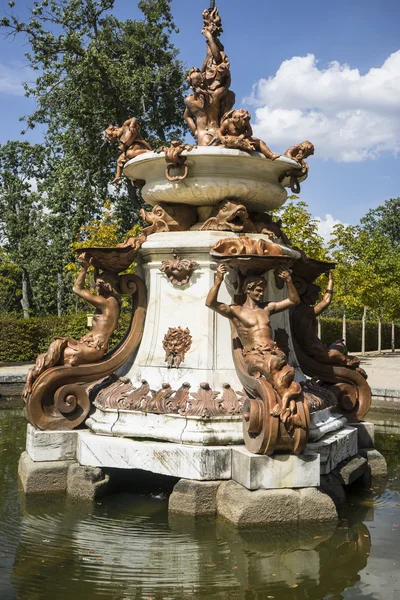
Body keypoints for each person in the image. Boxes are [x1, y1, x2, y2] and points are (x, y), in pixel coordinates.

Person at [206, 264, 302, 418]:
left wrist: (289, 281)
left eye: (263, 290)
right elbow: (210, 303)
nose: (261, 293)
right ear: (247, 290)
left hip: (273, 351)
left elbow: (294, 300)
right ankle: (287, 399)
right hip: (255, 354)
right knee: (274, 368)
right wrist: (218, 280)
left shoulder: (267, 308)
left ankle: (285, 400)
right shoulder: (236, 311)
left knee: (281, 370)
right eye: (258, 290)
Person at [23, 253, 122, 398]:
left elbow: (77, 289)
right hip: (89, 344)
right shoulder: (110, 300)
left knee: (59, 352)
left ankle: (33, 376)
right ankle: (34, 376)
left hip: (94, 348)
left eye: (99, 285)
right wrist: (94, 269)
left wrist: (84, 269)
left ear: (107, 286)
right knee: (56, 349)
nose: (97, 288)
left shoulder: (107, 303)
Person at [291, 271, 360, 368]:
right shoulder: (306, 313)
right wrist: (331, 281)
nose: (318, 297)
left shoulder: (300, 311)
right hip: (317, 353)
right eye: (315, 294)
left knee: (340, 345)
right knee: (350, 357)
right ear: (307, 296)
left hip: (318, 350)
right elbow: (326, 301)